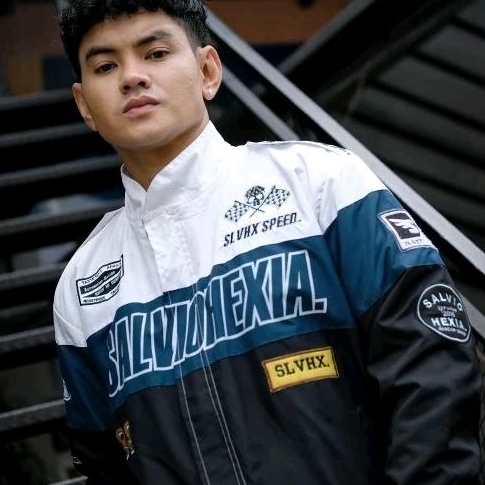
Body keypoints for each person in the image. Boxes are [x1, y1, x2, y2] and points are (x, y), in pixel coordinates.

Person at [52, 1, 482, 484]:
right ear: (84, 104)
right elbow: (104, 465)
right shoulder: (81, 287)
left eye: (155, 53)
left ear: (208, 71)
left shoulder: (321, 183)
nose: (132, 77)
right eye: (105, 66)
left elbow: (431, 372)